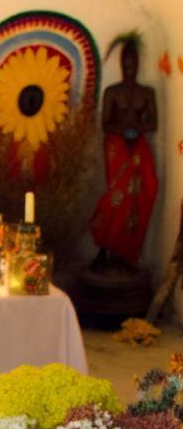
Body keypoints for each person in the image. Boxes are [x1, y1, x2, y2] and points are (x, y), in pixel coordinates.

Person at [90, 35, 158, 270]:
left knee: (140, 196)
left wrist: (136, 129)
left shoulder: (147, 92)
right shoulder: (112, 91)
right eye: (126, 64)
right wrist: (123, 130)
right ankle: (104, 247)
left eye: (134, 64)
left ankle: (127, 253)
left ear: (138, 64)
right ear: (121, 64)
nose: (130, 69)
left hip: (137, 145)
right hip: (117, 146)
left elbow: (153, 124)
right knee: (117, 197)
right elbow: (105, 124)